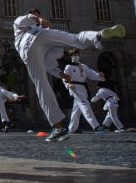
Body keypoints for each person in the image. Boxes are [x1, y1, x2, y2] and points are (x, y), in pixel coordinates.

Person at [13, 8, 125, 142]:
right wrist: (39, 20)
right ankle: (98, 35)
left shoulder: (19, 29)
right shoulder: (26, 24)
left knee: (41, 85)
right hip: (44, 37)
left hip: (28, 47)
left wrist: (61, 74)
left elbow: (49, 64)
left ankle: (57, 127)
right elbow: (50, 63)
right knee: (76, 39)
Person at [64, 49, 106, 134]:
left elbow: (91, 74)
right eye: (74, 55)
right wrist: (68, 84)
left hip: (82, 88)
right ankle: (96, 126)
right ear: (71, 56)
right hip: (74, 88)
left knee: (77, 109)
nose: (76, 56)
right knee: (85, 105)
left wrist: (99, 75)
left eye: (77, 54)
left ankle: (72, 128)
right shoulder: (69, 66)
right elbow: (64, 77)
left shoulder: (83, 66)